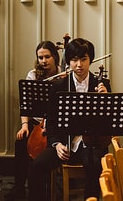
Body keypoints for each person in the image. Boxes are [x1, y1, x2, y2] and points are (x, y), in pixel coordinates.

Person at [27, 37, 110, 201]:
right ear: (68, 62)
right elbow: (50, 122)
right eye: (74, 60)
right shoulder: (58, 86)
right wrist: (56, 144)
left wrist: (106, 100)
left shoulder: (101, 84)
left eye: (84, 59)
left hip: (90, 143)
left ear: (90, 60)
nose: (79, 65)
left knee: (93, 165)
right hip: (63, 143)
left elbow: (108, 125)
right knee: (36, 167)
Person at [6, 41, 62, 200]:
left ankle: (51, 186)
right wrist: (24, 125)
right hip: (36, 121)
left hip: (55, 123)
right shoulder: (33, 75)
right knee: (21, 140)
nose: (43, 61)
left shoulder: (63, 74)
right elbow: (25, 104)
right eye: (40, 57)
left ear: (55, 57)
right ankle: (19, 187)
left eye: (47, 57)